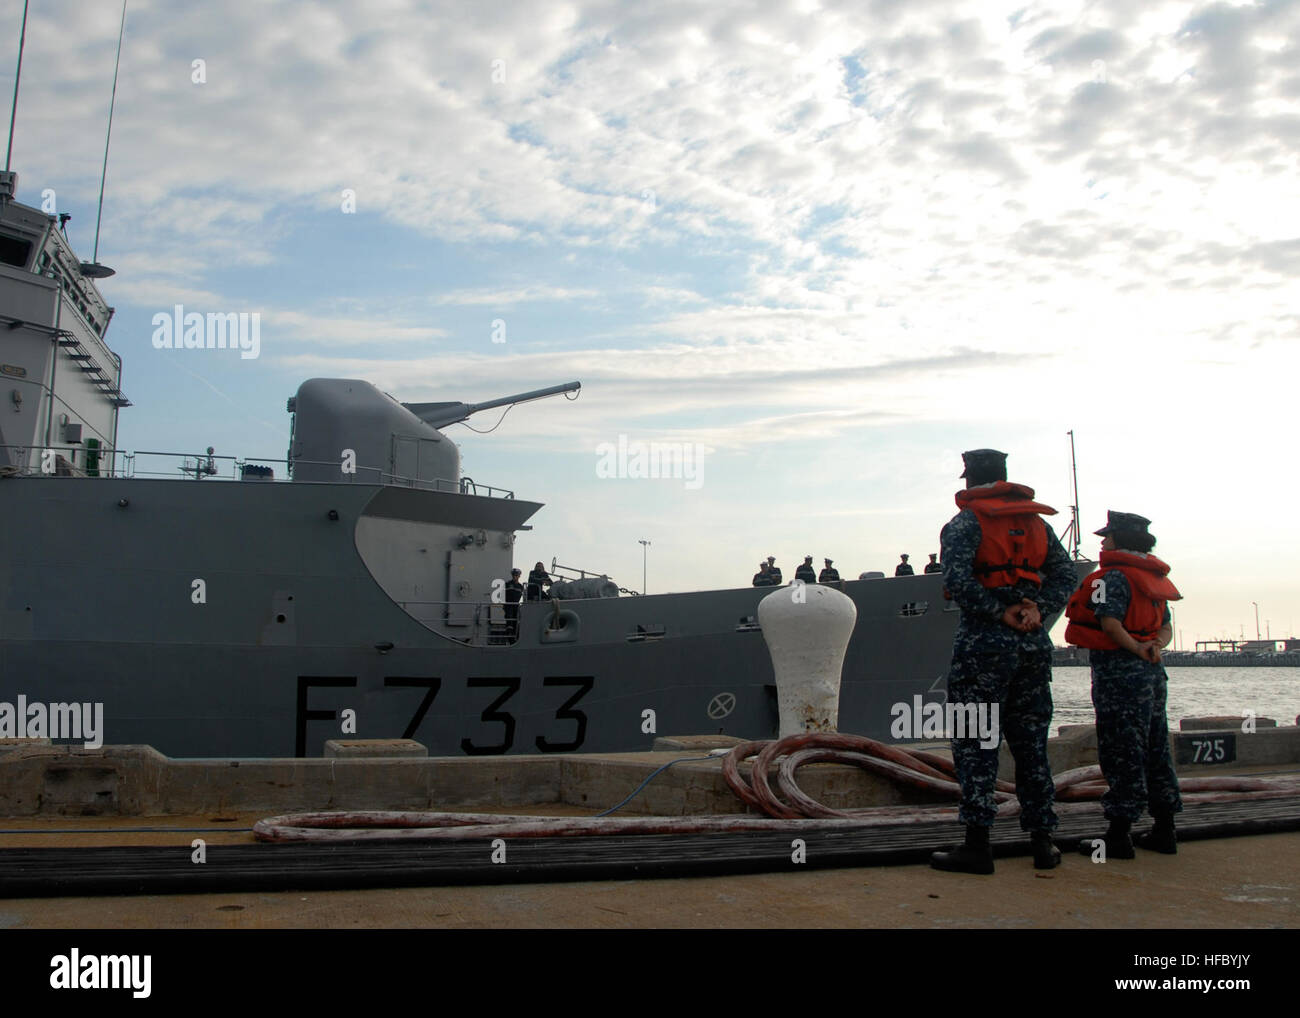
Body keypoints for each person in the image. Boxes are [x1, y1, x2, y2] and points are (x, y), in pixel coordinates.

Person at [929, 448, 1077, 874]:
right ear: (1005, 477)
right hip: (1031, 649)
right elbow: (1066, 575)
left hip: (984, 649)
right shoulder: (1037, 525)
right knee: (1032, 747)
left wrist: (1000, 612)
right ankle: (1043, 843)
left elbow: (956, 580)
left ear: (968, 479)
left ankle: (977, 846)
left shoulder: (964, 524)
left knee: (976, 745)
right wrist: (1037, 609)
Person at [1064, 511, 1182, 858]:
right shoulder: (1153, 579)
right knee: (1157, 749)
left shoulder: (1111, 578)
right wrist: (1152, 649)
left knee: (1121, 752)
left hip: (1119, 676)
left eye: (1108, 536)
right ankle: (1165, 830)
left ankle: (1118, 836)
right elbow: (1166, 627)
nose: (1103, 541)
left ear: (1120, 539)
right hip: (1153, 674)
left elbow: (1110, 624)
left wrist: (1133, 649)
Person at [504, 568, 524, 638]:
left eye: (516, 575)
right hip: (509, 605)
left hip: (516, 605)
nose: (515, 576)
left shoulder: (521, 586)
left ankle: (514, 635)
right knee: (509, 618)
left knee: (516, 620)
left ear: (519, 576)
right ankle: (509, 633)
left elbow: (520, 596)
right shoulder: (507, 584)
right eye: (514, 575)